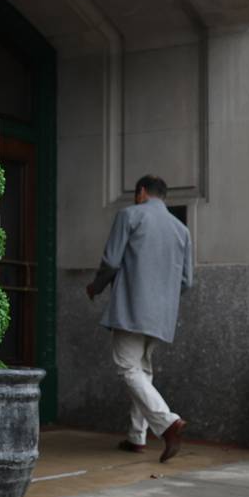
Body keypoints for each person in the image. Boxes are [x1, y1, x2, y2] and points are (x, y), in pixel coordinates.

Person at [86, 175, 193, 460]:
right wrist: (162, 299)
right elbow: (187, 280)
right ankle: (136, 436)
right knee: (143, 371)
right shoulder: (181, 230)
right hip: (162, 316)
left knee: (127, 368)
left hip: (132, 308)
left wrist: (95, 287)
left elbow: (110, 262)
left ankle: (167, 423)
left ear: (141, 192)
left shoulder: (130, 215)